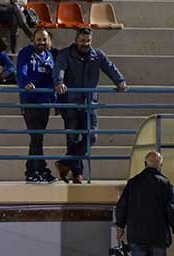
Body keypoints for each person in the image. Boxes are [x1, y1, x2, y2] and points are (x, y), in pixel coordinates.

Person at [53, 27, 128, 183]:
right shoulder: (65, 54)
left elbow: (110, 67)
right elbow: (59, 69)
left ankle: (65, 163)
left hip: (89, 103)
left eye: (88, 41)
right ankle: (77, 174)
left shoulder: (97, 55)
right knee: (72, 138)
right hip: (70, 102)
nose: (85, 44)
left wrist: (120, 80)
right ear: (76, 40)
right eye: (82, 41)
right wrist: (59, 82)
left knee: (92, 136)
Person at [17, 28, 57, 183]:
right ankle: (41, 169)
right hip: (31, 101)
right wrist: (26, 83)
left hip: (44, 102)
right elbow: (21, 70)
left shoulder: (49, 56)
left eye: (44, 39)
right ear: (33, 40)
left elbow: (52, 78)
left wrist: (54, 98)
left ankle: (31, 170)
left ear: (49, 40)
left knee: (37, 138)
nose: (41, 42)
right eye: (39, 39)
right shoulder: (26, 53)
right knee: (36, 137)